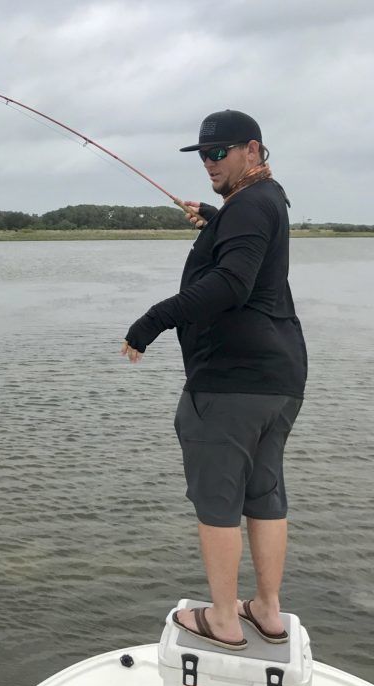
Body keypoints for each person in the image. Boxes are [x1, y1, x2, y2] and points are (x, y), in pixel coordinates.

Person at [120, 109, 308, 650]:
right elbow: (246, 246)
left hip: (230, 382)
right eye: (202, 154)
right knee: (264, 490)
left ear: (253, 149)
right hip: (278, 379)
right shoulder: (263, 201)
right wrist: (214, 216)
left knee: (218, 500)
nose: (208, 162)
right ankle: (267, 611)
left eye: (218, 152)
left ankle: (224, 619)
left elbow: (231, 283)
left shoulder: (247, 205)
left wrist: (152, 321)